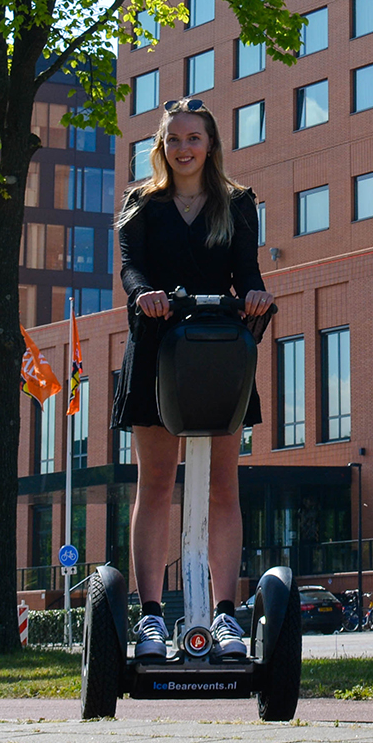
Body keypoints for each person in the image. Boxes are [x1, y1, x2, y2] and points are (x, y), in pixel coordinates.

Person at [115, 98, 275, 660]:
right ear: (162, 145)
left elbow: (248, 273)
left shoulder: (236, 204)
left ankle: (227, 616)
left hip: (217, 352)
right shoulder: (141, 204)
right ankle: (153, 616)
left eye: (194, 138)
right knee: (156, 484)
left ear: (210, 146)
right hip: (157, 349)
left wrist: (255, 294)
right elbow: (130, 268)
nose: (184, 148)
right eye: (174, 138)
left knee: (223, 487)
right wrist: (143, 295)